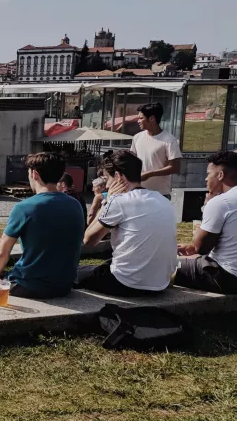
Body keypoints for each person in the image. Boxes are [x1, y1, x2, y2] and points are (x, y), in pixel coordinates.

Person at [78, 150, 177, 296]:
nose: (106, 185)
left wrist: (106, 202)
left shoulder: (119, 201)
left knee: (74, 272)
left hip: (126, 283)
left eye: (107, 179)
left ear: (118, 177)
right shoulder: (163, 200)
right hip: (160, 283)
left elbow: (88, 239)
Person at [0, 153, 85, 299]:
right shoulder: (75, 205)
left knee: (2, 279)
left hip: (30, 286)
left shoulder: (24, 208)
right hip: (63, 285)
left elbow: (2, 253)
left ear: (34, 174)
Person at [175, 151, 237, 294]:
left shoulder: (220, 202)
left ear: (220, 175)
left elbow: (201, 248)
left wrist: (208, 206)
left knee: (165, 266)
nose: (205, 179)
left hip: (226, 276)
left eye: (208, 173)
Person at [130, 102, 182, 199]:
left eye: (141, 118)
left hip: (160, 194)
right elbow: (132, 161)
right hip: (139, 191)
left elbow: (175, 168)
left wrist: (149, 174)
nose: (138, 121)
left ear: (152, 119)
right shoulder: (137, 137)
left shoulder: (170, 140)